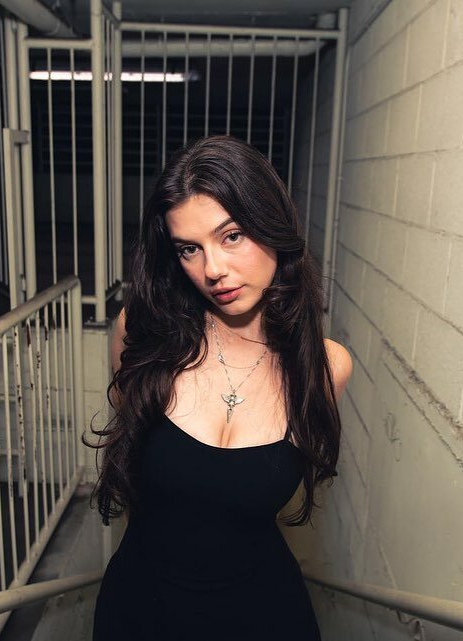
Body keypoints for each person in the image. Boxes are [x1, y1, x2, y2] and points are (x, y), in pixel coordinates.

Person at [87, 135, 353, 641]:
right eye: (189, 248)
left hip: (264, 615)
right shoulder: (142, 333)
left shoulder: (324, 367)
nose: (212, 270)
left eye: (231, 236)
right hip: (141, 609)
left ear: (273, 224)